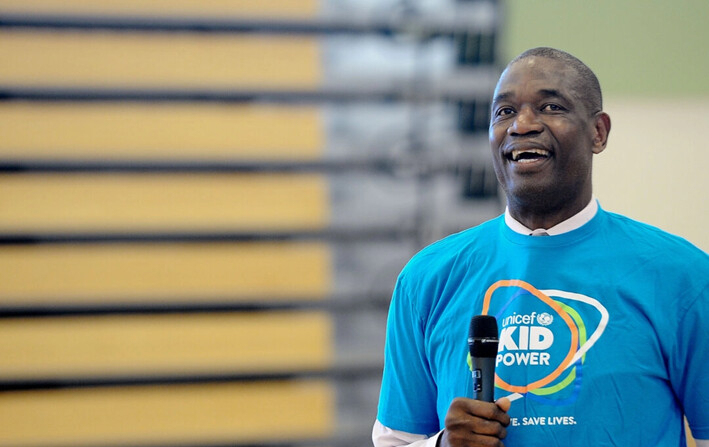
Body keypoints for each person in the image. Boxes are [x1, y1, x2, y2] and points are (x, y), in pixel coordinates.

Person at [373, 47, 709, 447]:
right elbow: (395, 440)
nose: (522, 125)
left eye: (551, 107)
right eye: (504, 112)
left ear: (598, 132)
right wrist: (443, 444)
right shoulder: (427, 278)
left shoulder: (682, 275)